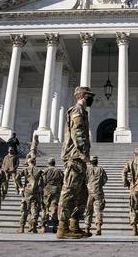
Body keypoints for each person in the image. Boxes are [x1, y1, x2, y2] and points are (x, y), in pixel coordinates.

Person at [56, 86, 94, 239]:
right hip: (74, 156)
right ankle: (62, 228)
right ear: (83, 96)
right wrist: (84, 152)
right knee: (70, 191)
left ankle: (74, 225)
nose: (92, 99)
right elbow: (77, 132)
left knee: (81, 193)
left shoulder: (82, 111)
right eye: (90, 96)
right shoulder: (77, 110)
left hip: (79, 158)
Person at [15, 158, 44, 233]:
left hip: (27, 191)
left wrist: (20, 186)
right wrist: (41, 187)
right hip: (36, 191)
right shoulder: (39, 170)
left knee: (24, 209)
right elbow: (44, 179)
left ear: (28, 162)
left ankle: (22, 227)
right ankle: (34, 225)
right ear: (34, 162)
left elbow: (17, 177)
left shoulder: (26, 169)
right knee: (34, 208)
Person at [84, 156, 108, 236]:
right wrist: (99, 185)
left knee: (88, 211)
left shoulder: (87, 169)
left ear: (90, 162)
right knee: (98, 211)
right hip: (98, 192)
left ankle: (87, 228)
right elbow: (105, 179)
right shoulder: (101, 169)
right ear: (96, 161)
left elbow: (84, 179)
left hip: (88, 192)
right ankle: (98, 228)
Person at [41, 158, 64, 233]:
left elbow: (42, 181)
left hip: (47, 190)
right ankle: (55, 226)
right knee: (54, 208)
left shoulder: (45, 171)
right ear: (54, 163)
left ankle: (43, 225)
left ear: (48, 163)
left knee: (45, 208)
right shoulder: (59, 171)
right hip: (56, 190)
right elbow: (63, 181)